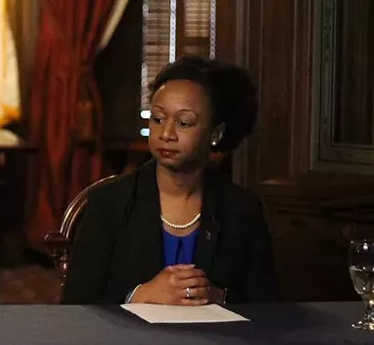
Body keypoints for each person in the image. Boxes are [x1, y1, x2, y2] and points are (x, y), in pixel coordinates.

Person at [63, 56, 279, 305]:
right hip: (129, 342)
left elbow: (268, 306)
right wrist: (137, 296)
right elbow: (75, 305)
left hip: (215, 342)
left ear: (215, 133)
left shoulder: (242, 209)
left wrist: (220, 297)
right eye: (158, 119)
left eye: (183, 123)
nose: (166, 134)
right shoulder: (109, 203)